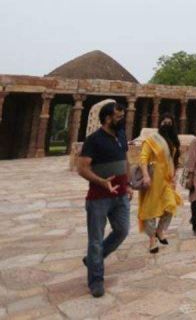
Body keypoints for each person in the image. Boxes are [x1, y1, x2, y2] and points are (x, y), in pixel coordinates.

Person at [76, 99, 131, 298]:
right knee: (96, 240)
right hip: (99, 197)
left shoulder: (121, 135)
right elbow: (82, 168)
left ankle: (93, 260)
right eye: (118, 116)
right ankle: (96, 280)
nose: (122, 119)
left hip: (120, 195)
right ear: (107, 118)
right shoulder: (94, 140)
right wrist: (101, 182)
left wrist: (128, 184)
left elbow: (126, 160)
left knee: (122, 231)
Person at [138, 113, 182, 253]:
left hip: (167, 179)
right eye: (164, 123)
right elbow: (143, 158)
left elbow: (173, 159)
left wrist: (175, 175)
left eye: (169, 123)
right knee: (151, 209)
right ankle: (152, 239)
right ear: (160, 124)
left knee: (170, 205)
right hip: (154, 178)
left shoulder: (173, 141)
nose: (166, 125)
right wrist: (145, 175)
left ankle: (160, 230)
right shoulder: (152, 139)